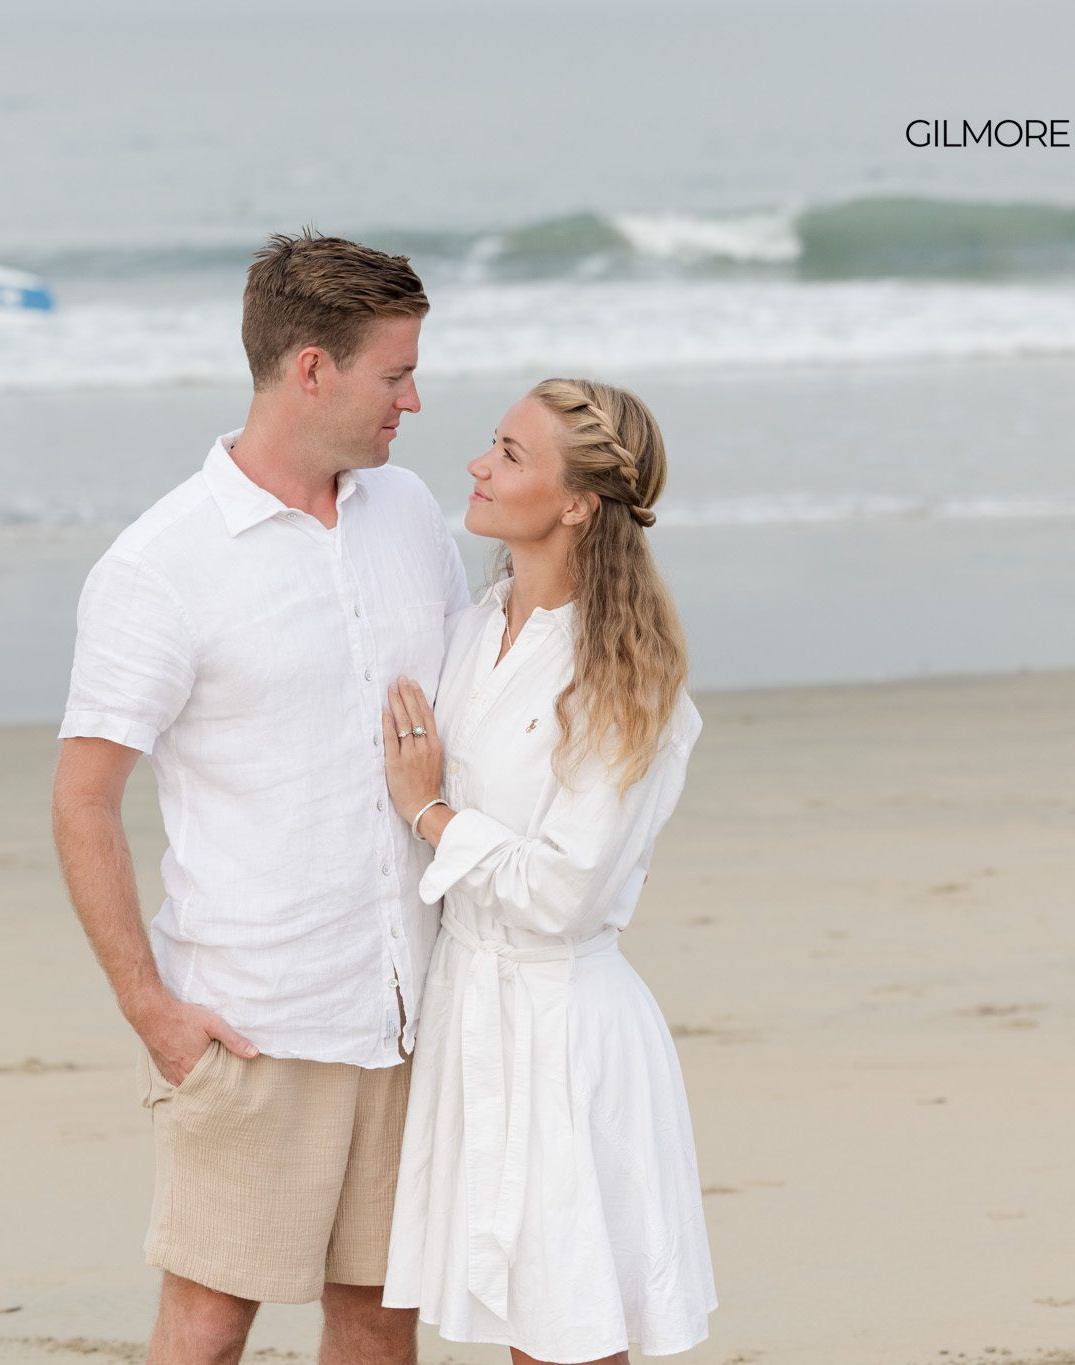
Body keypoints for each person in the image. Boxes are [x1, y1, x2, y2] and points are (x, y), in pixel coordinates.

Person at [51, 229, 469, 1365]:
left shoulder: (408, 512)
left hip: (412, 1003)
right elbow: (83, 801)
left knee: (380, 1316)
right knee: (208, 1319)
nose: (414, 401)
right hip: (256, 1016)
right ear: (311, 370)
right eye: (395, 374)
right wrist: (150, 1008)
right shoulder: (160, 565)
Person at [379, 378, 718, 1362]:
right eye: (492, 442)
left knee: (570, 1338)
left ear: (576, 504)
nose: (478, 465)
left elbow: (563, 893)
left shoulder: (622, 673)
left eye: (510, 455)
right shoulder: (473, 628)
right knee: (526, 1334)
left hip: (564, 1032)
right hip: (469, 1011)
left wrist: (430, 812)